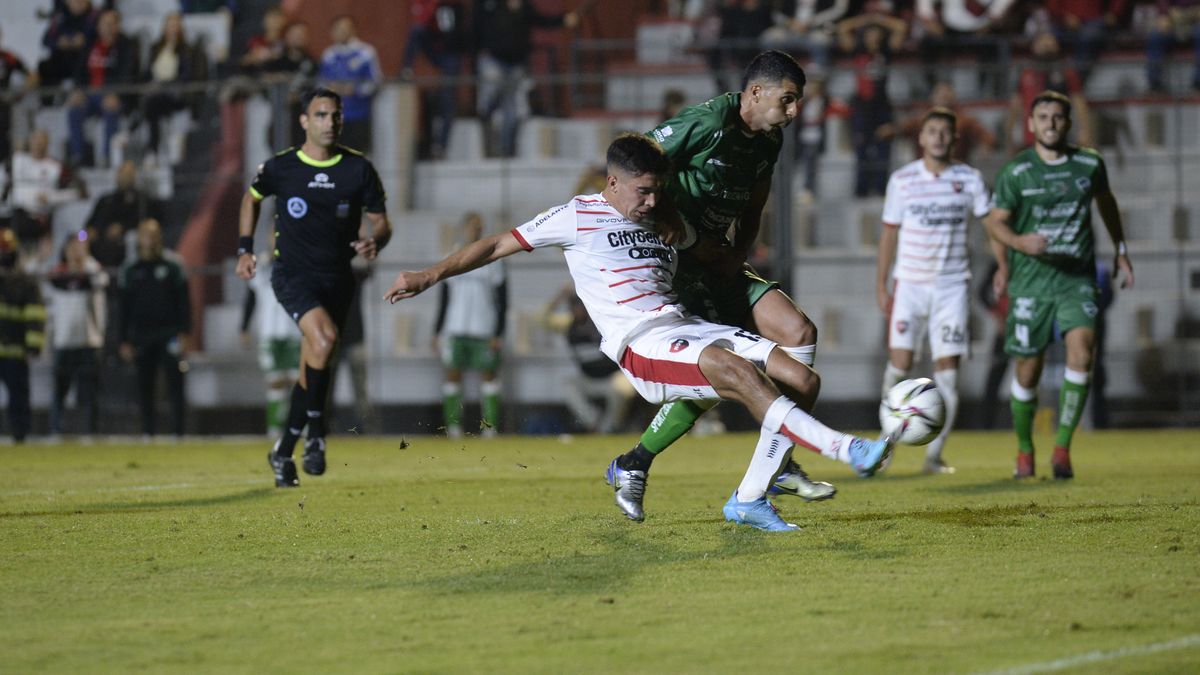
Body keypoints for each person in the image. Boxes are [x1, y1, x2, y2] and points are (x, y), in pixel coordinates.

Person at [384, 133, 893, 531]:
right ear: (612, 183)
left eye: (657, 190)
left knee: (802, 379)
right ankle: (846, 449)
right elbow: (496, 246)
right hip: (641, 342)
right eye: (642, 191)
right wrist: (428, 275)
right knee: (735, 372)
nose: (651, 201)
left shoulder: (663, 218)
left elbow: (712, 257)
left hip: (688, 325)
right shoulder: (576, 216)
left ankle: (748, 499)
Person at [614, 50, 834, 521]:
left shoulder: (767, 141)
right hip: (682, 265)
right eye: (788, 100)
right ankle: (635, 462)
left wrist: (740, 251)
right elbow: (635, 168)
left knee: (799, 332)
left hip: (722, 259)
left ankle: (779, 463)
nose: (795, 111)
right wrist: (668, 219)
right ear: (756, 92)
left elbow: (754, 206)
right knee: (720, 379)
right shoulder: (707, 121)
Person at [236, 86, 392, 488]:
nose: (330, 122)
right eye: (321, 115)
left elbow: (381, 221)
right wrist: (244, 249)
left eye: (335, 116)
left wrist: (377, 240)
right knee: (323, 342)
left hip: (338, 279)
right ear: (304, 121)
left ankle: (285, 450)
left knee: (316, 361)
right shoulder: (282, 167)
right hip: (292, 275)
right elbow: (251, 199)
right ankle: (318, 435)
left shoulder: (358, 168)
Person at [984, 90, 1134, 479]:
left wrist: (1120, 249)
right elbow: (994, 222)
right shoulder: (1016, 171)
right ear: (1030, 124)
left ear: (1068, 124)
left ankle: (1063, 449)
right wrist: (1017, 245)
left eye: (1057, 117)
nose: (1050, 123)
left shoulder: (1088, 163)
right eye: (1043, 117)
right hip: (1032, 283)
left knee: (1082, 353)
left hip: (1076, 280)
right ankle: (1024, 450)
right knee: (1027, 372)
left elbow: (1106, 202)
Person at [875, 108, 991, 475]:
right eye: (932, 131)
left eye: (945, 132)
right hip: (909, 283)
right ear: (921, 138)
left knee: (949, 373)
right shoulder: (903, 180)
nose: (939, 137)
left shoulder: (969, 179)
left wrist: (1003, 266)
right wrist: (881, 284)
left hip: (952, 287)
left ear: (955, 140)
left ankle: (933, 455)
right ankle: (885, 447)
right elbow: (889, 234)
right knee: (900, 364)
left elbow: (990, 225)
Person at [434, 212, 508, 438]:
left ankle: (489, 428)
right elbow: (444, 296)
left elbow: (503, 297)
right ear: (463, 229)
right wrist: (437, 330)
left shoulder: (493, 259)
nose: (475, 231)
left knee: (488, 375)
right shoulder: (451, 256)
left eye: (479, 227)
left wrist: (498, 331)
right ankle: (454, 427)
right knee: (453, 375)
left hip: (483, 328)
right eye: (471, 227)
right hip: (455, 327)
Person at [474, 0, 578, 157]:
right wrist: (478, 51)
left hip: (515, 64)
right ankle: (485, 111)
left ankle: (505, 151)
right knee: (493, 90)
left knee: (513, 111)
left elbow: (542, 21)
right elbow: (476, 26)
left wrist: (563, 20)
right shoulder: (491, 5)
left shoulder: (525, 7)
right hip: (493, 59)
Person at [119, 219, 190, 437]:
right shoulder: (130, 269)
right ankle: (148, 432)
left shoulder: (173, 265)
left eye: (153, 234)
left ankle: (179, 432)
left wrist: (185, 332)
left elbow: (184, 302)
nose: (149, 239)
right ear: (139, 239)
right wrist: (124, 340)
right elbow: (124, 308)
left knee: (175, 383)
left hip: (169, 334)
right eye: (144, 234)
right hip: (142, 335)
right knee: (144, 385)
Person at [543, 285, 636, 434]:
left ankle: (608, 429)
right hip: (588, 378)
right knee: (569, 385)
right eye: (574, 307)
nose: (578, 311)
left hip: (610, 378)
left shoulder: (600, 321)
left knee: (625, 387)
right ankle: (594, 423)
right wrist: (560, 297)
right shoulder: (568, 324)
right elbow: (543, 318)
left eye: (581, 306)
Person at [45, 231, 107, 436]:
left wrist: (84, 258)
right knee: (59, 391)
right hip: (63, 341)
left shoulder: (91, 270)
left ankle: (92, 432)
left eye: (79, 246)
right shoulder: (58, 273)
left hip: (88, 340)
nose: (75, 250)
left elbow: (102, 281)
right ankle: (56, 431)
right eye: (71, 246)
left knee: (90, 391)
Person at [66, 8, 140, 167]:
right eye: (104, 24)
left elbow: (127, 76)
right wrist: (78, 90)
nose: (107, 27)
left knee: (111, 107)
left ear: (118, 26)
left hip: (115, 96)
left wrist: (115, 94)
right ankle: (78, 156)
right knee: (74, 108)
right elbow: (78, 73)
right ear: (98, 26)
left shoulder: (126, 46)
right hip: (90, 95)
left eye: (111, 24)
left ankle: (107, 157)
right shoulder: (91, 44)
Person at [240, 252, 301, 437]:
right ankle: (274, 429)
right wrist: (244, 327)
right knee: (275, 383)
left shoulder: (299, 260)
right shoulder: (261, 265)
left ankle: (300, 428)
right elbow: (250, 296)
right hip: (269, 335)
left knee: (299, 382)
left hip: (294, 332)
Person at [10, 129, 85, 260]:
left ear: (48, 144)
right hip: (18, 216)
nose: (38, 145)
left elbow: (79, 192)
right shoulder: (17, 161)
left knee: (41, 256)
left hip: (43, 219)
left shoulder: (56, 167)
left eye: (42, 142)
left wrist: (51, 198)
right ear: (30, 142)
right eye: (36, 141)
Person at [141, 12, 208, 158]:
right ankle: (151, 148)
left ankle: (152, 148)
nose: (173, 29)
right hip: (155, 94)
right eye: (170, 26)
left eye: (176, 26)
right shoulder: (155, 48)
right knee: (151, 103)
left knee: (152, 104)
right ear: (164, 28)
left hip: (177, 95)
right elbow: (146, 73)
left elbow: (187, 75)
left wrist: (165, 84)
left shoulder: (187, 50)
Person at [0, 228, 45, 443]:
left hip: (15, 349)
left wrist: (33, 346)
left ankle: (20, 435)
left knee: (18, 396)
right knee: (18, 395)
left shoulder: (25, 282)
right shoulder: (25, 281)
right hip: (13, 349)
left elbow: (34, 316)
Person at [318, 16, 382, 153]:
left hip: (359, 113)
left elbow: (375, 81)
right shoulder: (329, 55)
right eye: (339, 29)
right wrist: (331, 89)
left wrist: (356, 89)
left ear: (353, 29)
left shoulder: (366, 52)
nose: (342, 32)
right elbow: (320, 82)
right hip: (333, 117)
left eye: (346, 28)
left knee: (356, 156)